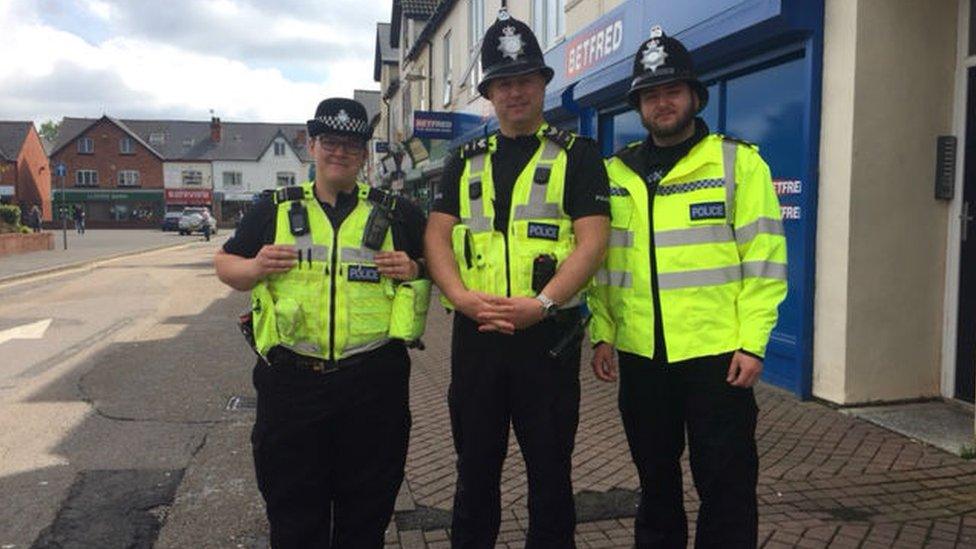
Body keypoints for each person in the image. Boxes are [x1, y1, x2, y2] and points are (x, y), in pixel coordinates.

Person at [588, 26, 788, 549]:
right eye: (651, 95)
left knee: (725, 483)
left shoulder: (737, 162)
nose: (662, 102)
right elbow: (605, 265)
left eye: (672, 91)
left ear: (694, 96)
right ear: (639, 105)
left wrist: (753, 342)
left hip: (718, 357)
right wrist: (603, 332)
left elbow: (764, 261)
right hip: (641, 355)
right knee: (655, 481)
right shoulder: (615, 174)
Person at [424, 9, 610, 548]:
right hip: (477, 337)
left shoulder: (580, 156)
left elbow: (593, 241)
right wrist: (459, 298)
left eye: (525, 79)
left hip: (546, 339)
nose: (514, 92)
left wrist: (545, 304)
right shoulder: (464, 160)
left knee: (551, 473)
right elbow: (437, 236)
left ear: (543, 84)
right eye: (503, 83)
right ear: (488, 92)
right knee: (475, 469)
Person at [214, 97, 431, 548]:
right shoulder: (274, 208)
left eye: (351, 144)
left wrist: (415, 269)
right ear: (311, 146)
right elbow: (225, 263)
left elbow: (442, 264)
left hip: (374, 386)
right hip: (292, 385)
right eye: (329, 141)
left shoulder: (397, 212)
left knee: (366, 514)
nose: (340, 152)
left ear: (364, 153)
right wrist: (253, 269)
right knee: (294, 516)